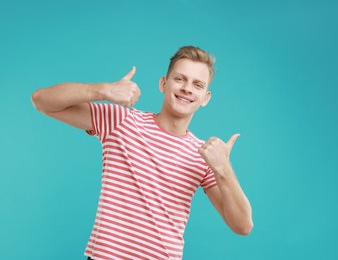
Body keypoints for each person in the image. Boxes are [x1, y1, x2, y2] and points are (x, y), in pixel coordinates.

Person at [31, 46, 253, 260]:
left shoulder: (203, 156)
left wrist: (223, 168)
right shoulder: (121, 121)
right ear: (163, 84)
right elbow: (42, 101)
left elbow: (242, 225)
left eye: (197, 84)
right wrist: (103, 90)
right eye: (179, 79)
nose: (187, 88)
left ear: (205, 98)